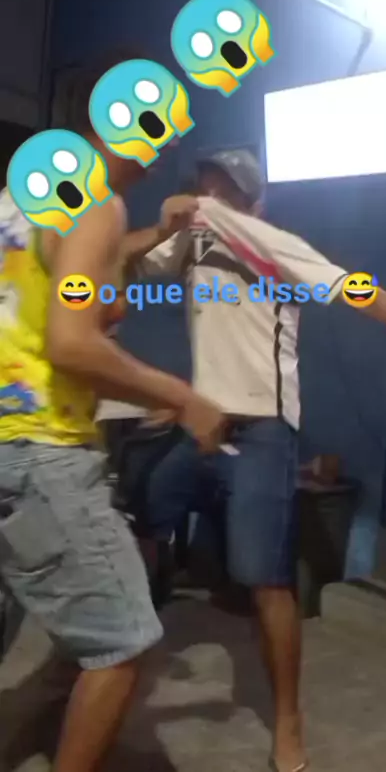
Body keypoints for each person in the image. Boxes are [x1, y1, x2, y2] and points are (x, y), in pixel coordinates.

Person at [121, 148, 386, 772]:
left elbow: (361, 292)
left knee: (265, 579)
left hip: (263, 434)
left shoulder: (276, 247)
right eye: (206, 190)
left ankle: (288, 722)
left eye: (226, 194)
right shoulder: (190, 244)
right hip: (201, 424)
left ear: (255, 202)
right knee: (142, 514)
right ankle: (119, 658)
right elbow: (118, 267)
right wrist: (161, 228)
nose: (211, 202)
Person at [0, 57, 225, 772]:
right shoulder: (98, 203)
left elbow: (71, 273)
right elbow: (71, 341)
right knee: (124, 641)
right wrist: (181, 395)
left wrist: (156, 232)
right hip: (42, 451)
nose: (163, 142)